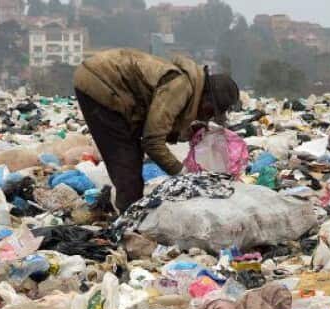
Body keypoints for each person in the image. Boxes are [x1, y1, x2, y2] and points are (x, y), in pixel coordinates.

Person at [74, 48, 241, 211]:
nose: (208, 116)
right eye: (211, 111)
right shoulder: (180, 87)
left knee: (131, 158)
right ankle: (127, 224)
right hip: (101, 82)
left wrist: (188, 133)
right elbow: (152, 141)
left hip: (113, 89)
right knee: (127, 162)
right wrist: (182, 172)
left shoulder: (188, 87)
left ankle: (128, 213)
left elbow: (158, 122)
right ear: (207, 99)